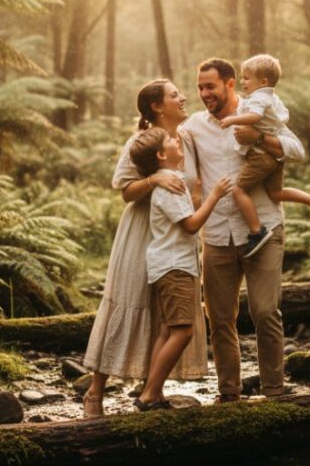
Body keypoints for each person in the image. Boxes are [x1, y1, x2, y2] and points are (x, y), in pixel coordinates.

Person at [81, 79, 207, 418]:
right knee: (128, 301)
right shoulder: (140, 141)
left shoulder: (187, 140)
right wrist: (153, 180)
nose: (183, 98)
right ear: (157, 106)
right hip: (142, 234)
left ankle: (152, 389)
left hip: (177, 234)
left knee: (166, 315)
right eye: (174, 95)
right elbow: (125, 190)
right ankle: (95, 392)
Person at [181, 58, 303, 402]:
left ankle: (274, 393)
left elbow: (297, 149)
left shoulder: (260, 111)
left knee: (265, 312)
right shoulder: (193, 127)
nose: (205, 94)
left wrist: (260, 137)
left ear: (230, 83)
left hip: (264, 229)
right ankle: (229, 395)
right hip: (217, 236)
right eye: (200, 87)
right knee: (219, 320)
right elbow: (171, 151)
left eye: (211, 87)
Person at [128, 128, 232, 410]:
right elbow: (190, 224)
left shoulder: (171, 181)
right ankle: (149, 395)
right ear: (162, 154)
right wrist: (216, 195)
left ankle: (154, 391)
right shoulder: (170, 183)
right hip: (175, 267)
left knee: (166, 330)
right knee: (183, 332)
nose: (177, 141)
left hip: (169, 264)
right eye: (171, 141)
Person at [218, 53, 310, 257]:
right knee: (275, 193)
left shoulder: (258, 99)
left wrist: (232, 120)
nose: (243, 82)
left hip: (261, 156)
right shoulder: (272, 98)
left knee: (238, 191)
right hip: (274, 157)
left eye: (246, 78)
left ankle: (257, 231)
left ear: (263, 81)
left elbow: (254, 116)